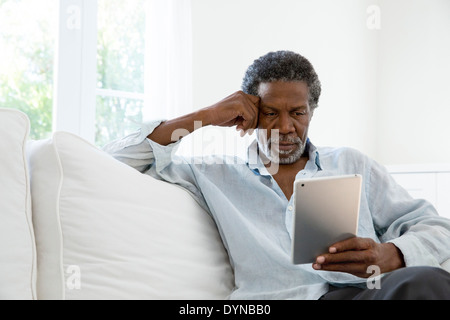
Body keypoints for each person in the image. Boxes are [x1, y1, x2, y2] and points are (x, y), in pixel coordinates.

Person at [103, 50, 450, 299]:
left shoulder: (352, 163)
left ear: (311, 112)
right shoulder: (214, 175)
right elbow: (116, 161)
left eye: (297, 112)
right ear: (249, 114)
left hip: (360, 293)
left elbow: (437, 228)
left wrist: (391, 254)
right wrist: (206, 115)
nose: (285, 127)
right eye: (270, 113)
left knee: (427, 281)